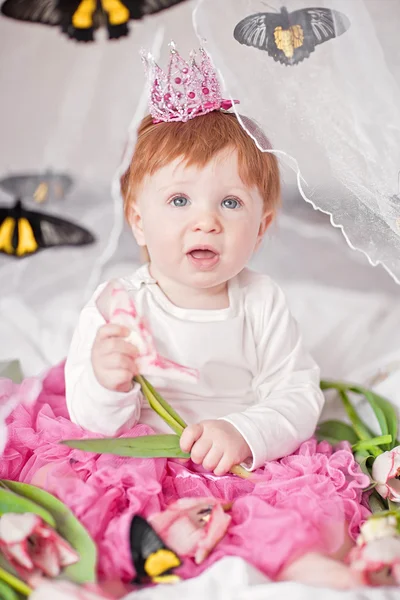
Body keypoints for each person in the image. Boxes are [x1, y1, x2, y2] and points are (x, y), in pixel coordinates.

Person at [64, 45, 367, 587]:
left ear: (262, 225)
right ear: (138, 219)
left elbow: (297, 393)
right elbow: (92, 420)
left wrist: (245, 431)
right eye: (179, 201)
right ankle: (108, 574)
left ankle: (300, 564)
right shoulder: (117, 304)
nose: (205, 222)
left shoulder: (261, 300)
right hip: (143, 460)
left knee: (280, 518)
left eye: (229, 203)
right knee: (108, 513)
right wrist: (108, 382)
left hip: (237, 463)